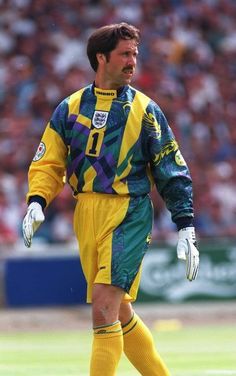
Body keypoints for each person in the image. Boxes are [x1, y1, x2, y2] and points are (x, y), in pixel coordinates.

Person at [22, 22, 199, 376]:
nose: (133, 61)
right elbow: (49, 161)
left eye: (135, 53)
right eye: (125, 54)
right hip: (86, 211)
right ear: (101, 58)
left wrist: (185, 224)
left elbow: (170, 168)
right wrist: (37, 200)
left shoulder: (146, 111)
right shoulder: (70, 107)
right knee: (119, 312)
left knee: (103, 307)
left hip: (128, 212)